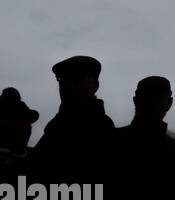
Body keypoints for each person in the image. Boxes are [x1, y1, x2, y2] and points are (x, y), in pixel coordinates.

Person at [29, 55, 117, 184]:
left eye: (78, 77)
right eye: (61, 78)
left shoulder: (98, 126)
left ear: (95, 85)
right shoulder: (58, 125)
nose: (67, 82)